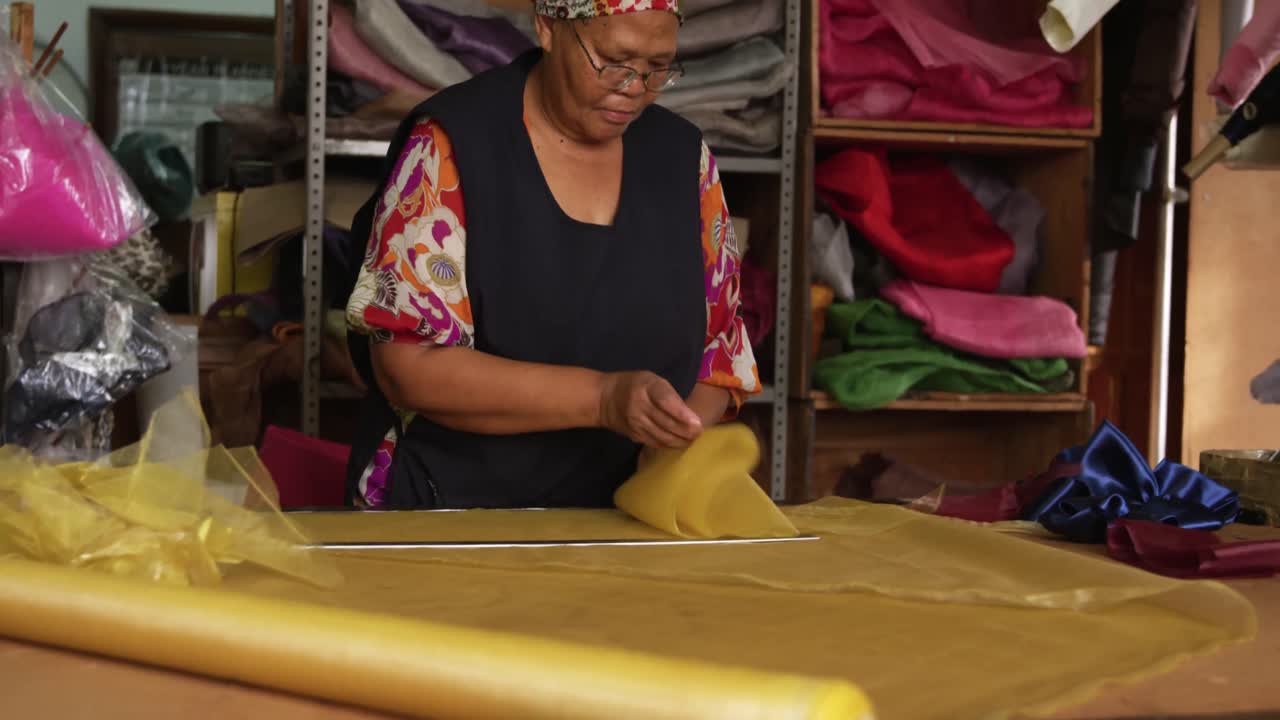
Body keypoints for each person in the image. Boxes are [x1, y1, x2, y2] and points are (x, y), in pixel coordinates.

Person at [343, 0, 760, 509]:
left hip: (622, 516)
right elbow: (407, 367)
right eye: (613, 59)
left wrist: (669, 445)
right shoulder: (455, 144)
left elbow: (721, 351)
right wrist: (604, 399)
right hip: (452, 512)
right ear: (547, 27)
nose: (633, 88)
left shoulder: (682, 160)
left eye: (657, 68)